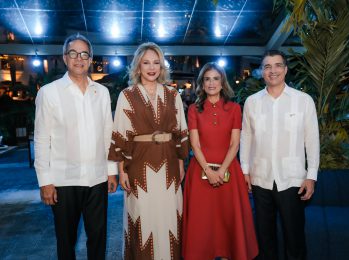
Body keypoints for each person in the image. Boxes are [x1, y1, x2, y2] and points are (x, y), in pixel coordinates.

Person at [34, 33, 118, 260]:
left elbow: (107, 134)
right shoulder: (48, 92)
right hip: (63, 181)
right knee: (65, 241)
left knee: (98, 237)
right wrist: (45, 181)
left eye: (84, 54)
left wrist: (111, 171)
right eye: (73, 53)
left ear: (90, 59)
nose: (78, 58)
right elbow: (41, 139)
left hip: (97, 178)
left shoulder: (101, 93)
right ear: (65, 57)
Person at [108, 42, 189, 260]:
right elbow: (120, 136)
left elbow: (180, 132)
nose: (151, 67)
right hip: (138, 166)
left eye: (156, 62)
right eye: (146, 62)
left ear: (162, 67)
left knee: (170, 217)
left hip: (170, 165)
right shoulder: (127, 94)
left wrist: (181, 164)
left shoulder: (173, 94)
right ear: (137, 67)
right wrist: (121, 171)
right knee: (142, 216)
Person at [240, 50, 320, 260]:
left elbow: (312, 140)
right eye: (267, 66)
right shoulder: (252, 102)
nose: (272, 70)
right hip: (260, 178)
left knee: (294, 237)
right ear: (261, 72)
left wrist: (311, 175)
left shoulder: (303, 100)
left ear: (285, 69)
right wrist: (245, 171)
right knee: (264, 238)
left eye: (277, 65)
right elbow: (246, 137)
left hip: (292, 179)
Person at [182, 62, 259, 260]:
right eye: (207, 79)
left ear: (223, 82)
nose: (211, 83)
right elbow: (195, 145)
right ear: (202, 83)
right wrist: (209, 170)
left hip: (229, 174)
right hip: (200, 173)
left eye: (216, 78)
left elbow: (235, 144)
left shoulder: (234, 109)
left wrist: (221, 171)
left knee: (227, 223)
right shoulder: (193, 109)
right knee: (203, 223)